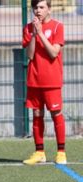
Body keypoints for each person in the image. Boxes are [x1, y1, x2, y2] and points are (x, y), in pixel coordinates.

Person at [22, 0, 67, 165]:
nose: (37, 10)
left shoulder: (57, 27)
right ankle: (39, 151)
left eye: (41, 7)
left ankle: (61, 152)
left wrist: (41, 33)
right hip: (34, 81)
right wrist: (34, 33)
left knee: (56, 115)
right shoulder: (28, 28)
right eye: (35, 7)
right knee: (36, 115)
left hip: (52, 81)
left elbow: (54, 52)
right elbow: (30, 55)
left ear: (49, 9)